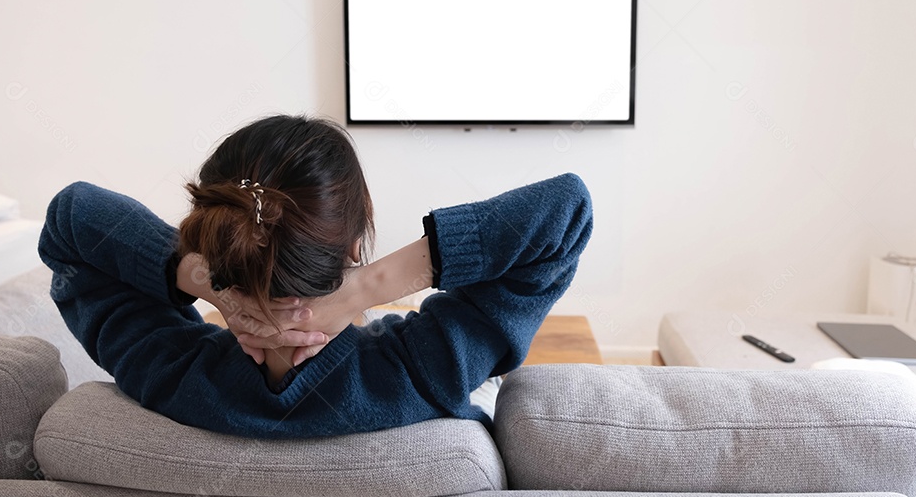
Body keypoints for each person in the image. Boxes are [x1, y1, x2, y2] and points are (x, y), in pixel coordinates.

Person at [38, 114, 593, 439]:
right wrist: (367, 286)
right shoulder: (424, 376)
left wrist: (217, 288)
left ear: (214, 237)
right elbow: (565, 211)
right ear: (353, 246)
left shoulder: (169, 376)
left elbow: (72, 217)